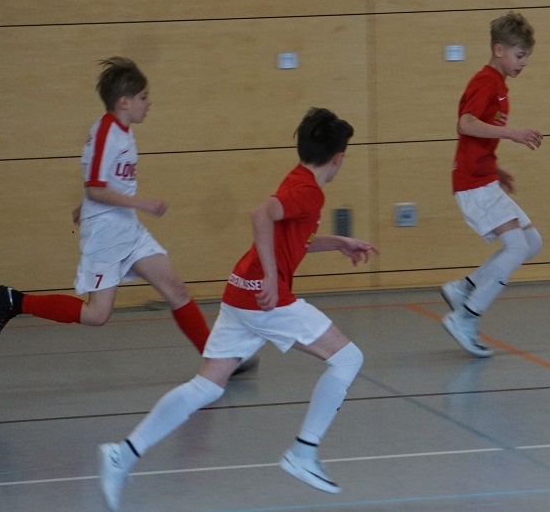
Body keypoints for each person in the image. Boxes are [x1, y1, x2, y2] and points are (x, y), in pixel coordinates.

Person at [98, 107, 377, 510]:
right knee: (348, 358)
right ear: (338, 158)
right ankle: (303, 452)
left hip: (239, 291)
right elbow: (260, 214)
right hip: (264, 298)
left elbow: (291, 236)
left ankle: (121, 454)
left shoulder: (299, 179)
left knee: (208, 385)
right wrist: (270, 277)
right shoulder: (308, 191)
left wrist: (338, 243)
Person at [0, 57, 213, 356]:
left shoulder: (122, 129)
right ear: (124, 102)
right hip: (105, 234)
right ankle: (15, 301)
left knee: (176, 290)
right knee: (97, 315)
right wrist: (141, 203)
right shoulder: (107, 133)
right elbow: (95, 188)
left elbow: (98, 179)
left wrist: (87, 207)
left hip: (126, 227)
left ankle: (218, 359)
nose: (149, 103)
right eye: (143, 97)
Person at [440, 11, 544, 358]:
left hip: (483, 178)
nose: (523, 63)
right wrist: (512, 133)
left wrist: (495, 169)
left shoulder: (499, 86)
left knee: (531, 242)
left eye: (526, 56)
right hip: (472, 183)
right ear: (499, 50)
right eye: (519, 55)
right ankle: (466, 317)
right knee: (515, 247)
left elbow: (477, 140)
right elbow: (466, 124)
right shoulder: (485, 82)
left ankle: (464, 287)